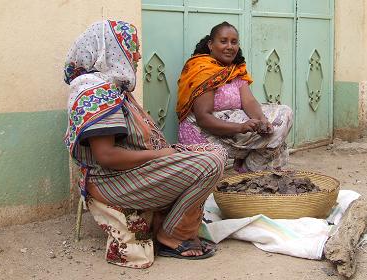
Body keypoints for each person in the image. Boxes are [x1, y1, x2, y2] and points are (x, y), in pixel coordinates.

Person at [63, 20, 227, 267]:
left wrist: (167, 154)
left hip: (132, 173)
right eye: (133, 47)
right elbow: (106, 156)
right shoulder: (97, 92)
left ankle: (172, 226)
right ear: (111, 50)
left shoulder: (114, 89)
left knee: (213, 151)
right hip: (111, 181)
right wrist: (161, 156)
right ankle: (172, 235)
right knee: (211, 161)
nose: (138, 55)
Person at [176, 22, 293, 172]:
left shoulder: (236, 70)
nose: (230, 47)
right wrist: (241, 127)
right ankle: (248, 169)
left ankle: (248, 169)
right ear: (211, 44)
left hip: (233, 131)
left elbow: (249, 101)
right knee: (276, 140)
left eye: (234, 42)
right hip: (206, 135)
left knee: (283, 115)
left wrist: (263, 120)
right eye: (223, 41)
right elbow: (203, 119)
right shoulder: (204, 71)